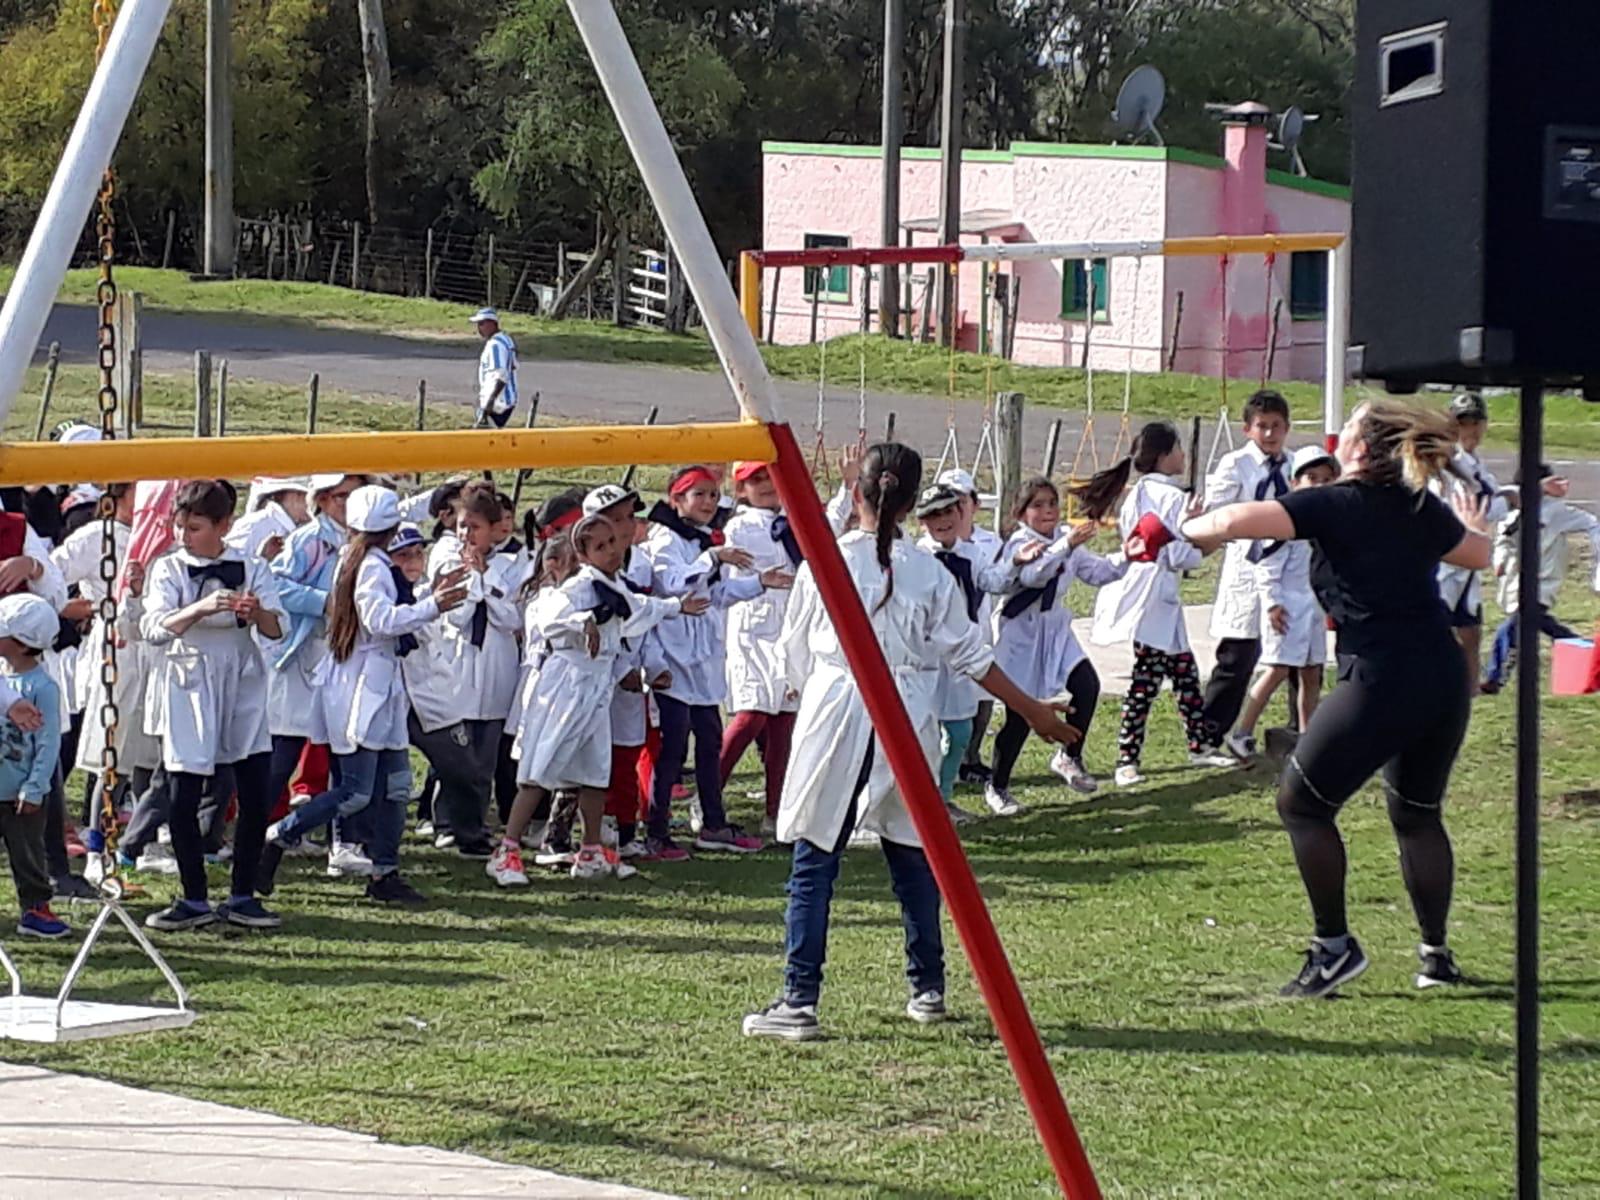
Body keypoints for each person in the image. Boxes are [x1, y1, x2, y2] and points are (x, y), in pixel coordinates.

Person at [742, 443, 1079, 1042]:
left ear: (860, 494)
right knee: (910, 848)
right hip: (907, 711)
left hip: (840, 706)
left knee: (818, 854)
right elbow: (972, 654)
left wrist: (815, 688)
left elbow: (794, 651)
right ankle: (928, 985)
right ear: (910, 504)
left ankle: (799, 997)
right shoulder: (925, 569)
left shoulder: (829, 560)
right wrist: (1031, 710)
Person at [1180, 398, 1492, 996]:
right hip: (1442, 674)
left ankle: (1333, 948)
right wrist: (1476, 525)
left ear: (1357, 449)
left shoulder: (1334, 503)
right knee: (1418, 815)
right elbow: (1478, 555)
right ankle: (1437, 955)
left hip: (1381, 675)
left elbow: (1229, 522)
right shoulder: (1419, 506)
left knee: (1301, 804)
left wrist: (1176, 531)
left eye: (1346, 427)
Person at [266, 486, 468, 905]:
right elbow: (380, 621)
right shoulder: (370, 566)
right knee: (356, 789)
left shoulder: (363, 560)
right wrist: (435, 605)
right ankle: (281, 834)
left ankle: (384, 873)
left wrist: (430, 596)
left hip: (378, 684)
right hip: (363, 686)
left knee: (395, 784)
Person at [495, 515, 701, 884]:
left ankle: (590, 849)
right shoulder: (576, 589)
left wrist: (676, 607)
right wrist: (582, 622)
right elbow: (549, 618)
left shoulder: (614, 587)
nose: (611, 552)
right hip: (567, 684)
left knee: (594, 770)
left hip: (596, 685)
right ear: (583, 554)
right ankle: (507, 850)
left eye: (613, 543)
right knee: (540, 766)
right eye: (601, 546)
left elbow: (638, 609)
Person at [140, 479, 286, 931]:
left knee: (254, 786)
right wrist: (200, 609)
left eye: (196, 527)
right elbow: (155, 628)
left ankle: (243, 893)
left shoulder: (250, 565)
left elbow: (275, 629)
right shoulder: (169, 569)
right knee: (185, 789)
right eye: (181, 525)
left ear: (224, 526)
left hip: (240, 676)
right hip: (190, 676)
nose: (185, 535)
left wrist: (254, 611)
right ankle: (193, 896)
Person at [643, 466, 791, 859]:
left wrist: (760, 583)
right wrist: (712, 556)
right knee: (672, 751)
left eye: (712, 495)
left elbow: (717, 593)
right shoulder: (666, 541)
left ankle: (714, 823)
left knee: (709, 744)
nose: (708, 503)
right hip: (673, 662)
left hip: (702, 662)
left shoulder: (702, 541)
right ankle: (656, 830)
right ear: (676, 501)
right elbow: (674, 584)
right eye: (698, 495)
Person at [1086, 422, 1213, 787]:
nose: (1183, 456)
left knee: (1185, 672)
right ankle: (1127, 759)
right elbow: (1175, 553)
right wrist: (1202, 541)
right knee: (1146, 680)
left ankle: (1199, 744)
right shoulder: (1170, 499)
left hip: (1156, 593)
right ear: (1164, 455)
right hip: (1152, 595)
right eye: (1178, 449)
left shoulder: (1137, 494)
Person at [986, 477, 1126, 808]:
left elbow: (1098, 572)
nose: (1047, 511)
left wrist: (1129, 555)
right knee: (1020, 715)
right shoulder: (1019, 543)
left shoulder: (1067, 537)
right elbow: (1034, 576)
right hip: (1020, 633)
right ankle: (998, 785)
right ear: (1021, 513)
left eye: (1052, 503)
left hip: (1055, 628)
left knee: (1087, 685)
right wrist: (1066, 546)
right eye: (1037, 505)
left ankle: (1069, 756)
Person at [264, 473, 367, 876]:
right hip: (305, 653)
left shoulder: (364, 543)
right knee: (284, 749)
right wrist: (326, 603)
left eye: (355, 495)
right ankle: (256, 831)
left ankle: (343, 842)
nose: (348, 503)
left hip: (344, 656)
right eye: (341, 496)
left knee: (346, 750)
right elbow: (277, 584)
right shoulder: (310, 541)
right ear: (322, 500)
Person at [1223, 446, 1339, 761]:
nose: (1318, 485)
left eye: (1326, 479)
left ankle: (1307, 737)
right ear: (1294, 480)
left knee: (1312, 671)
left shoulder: (1328, 520)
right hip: (1287, 608)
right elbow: (1267, 566)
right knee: (1277, 669)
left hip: (1311, 607)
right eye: (1311, 478)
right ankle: (1242, 732)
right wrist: (1273, 603)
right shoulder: (1285, 519)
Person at [430, 482, 524, 856]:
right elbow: (457, 615)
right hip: (458, 663)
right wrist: (478, 586)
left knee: (485, 755)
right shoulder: (447, 559)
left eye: (475, 527)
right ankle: (445, 822)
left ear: (494, 528)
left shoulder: (511, 564)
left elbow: (512, 617)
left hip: (496, 665)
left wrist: (484, 579)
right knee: (454, 750)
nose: (466, 534)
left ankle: (474, 824)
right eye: (462, 526)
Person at [1198, 390, 1293, 755]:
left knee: (1294, 654)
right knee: (1238, 656)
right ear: (1248, 429)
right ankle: (1208, 736)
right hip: (1248, 565)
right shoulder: (1235, 464)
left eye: (1276, 427)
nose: (1270, 434)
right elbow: (1216, 514)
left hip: (1288, 568)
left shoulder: (1295, 464)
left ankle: (1300, 726)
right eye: (1262, 427)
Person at [718, 461, 803, 840]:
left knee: (784, 720)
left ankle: (776, 808)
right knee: (751, 715)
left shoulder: (795, 519)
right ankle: (709, 799)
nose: (767, 485)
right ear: (740, 490)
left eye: (772, 476)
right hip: (752, 629)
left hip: (789, 628)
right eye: (755, 480)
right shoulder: (740, 526)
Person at [1482, 466, 1600, 692]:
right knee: (1544, 627)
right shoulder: (1511, 512)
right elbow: (1503, 540)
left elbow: (1591, 522)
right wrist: (1501, 561)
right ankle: (1588, 654)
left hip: (1543, 583)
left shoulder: (1556, 512)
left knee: (1512, 628)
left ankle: (1495, 677)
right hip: (1516, 583)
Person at [0, 594, 69, 939]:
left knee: (27, 853)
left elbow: (48, 743)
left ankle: (36, 908)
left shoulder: (43, 688)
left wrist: (35, 786)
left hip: (19, 791)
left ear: (20, 643)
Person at [1433, 393, 1509, 693]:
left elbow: (1491, 498)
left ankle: (1468, 690)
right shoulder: (1449, 465)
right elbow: (1478, 507)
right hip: (1447, 561)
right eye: (1464, 423)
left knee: (1471, 629)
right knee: (1439, 630)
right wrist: (1510, 499)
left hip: (1468, 563)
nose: (1471, 430)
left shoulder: (1479, 467)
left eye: (1476, 422)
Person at [938, 468, 1008, 787]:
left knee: (982, 699)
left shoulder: (989, 543)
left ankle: (972, 759)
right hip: (943, 640)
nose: (956, 506)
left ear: (974, 504)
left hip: (978, 630)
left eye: (961, 499)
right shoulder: (929, 547)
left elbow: (995, 580)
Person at [472, 308, 519, 429]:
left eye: (482, 324)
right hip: (507, 401)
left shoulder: (495, 345)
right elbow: (513, 365)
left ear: (492, 323)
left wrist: (490, 402)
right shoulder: (506, 340)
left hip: (497, 404)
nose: (479, 328)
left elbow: (501, 375)